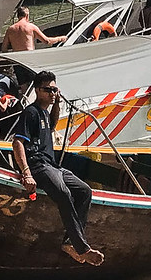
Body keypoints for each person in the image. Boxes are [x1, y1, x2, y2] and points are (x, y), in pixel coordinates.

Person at [11, 71, 103, 266]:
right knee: (63, 193)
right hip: (38, 165)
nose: (52, 93)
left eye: (55, 89)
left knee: (85, 191)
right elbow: (17, 142)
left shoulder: (44, 112)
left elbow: (51, 125)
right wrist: (26, 173)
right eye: (48, 90)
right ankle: (81, 247)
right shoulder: (31, 112)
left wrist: (58, 103)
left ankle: (70, 241)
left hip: (53, 166)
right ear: (37, 90)